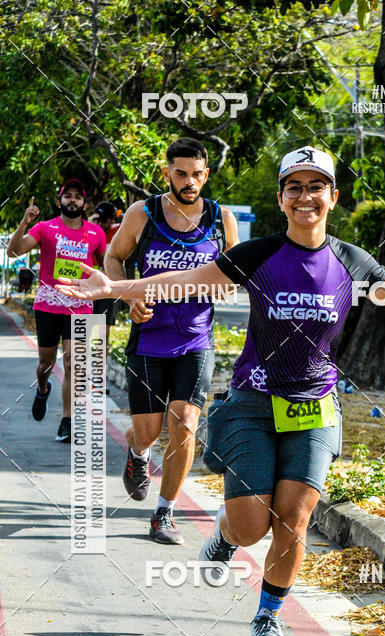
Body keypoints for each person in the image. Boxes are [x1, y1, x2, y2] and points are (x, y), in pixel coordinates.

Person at [56, 145, 385, 636]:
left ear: (332, 198)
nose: (305, 196)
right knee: (252, 523)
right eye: (294, 187)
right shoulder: (259, 255)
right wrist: (114, 287)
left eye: (316, 186)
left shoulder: (350, 261)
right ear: (281, 198)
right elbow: (183, 282)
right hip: (253, 401)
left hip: (315, 405)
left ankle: (267, 619)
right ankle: (226, 537)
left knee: (294, 517)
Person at [104, 138, 239, 545]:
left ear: (206, 174)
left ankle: (164, 513)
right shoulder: (142, 214)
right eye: (180, 173)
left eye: (197, 174)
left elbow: (235, 270)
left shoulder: (220, 218)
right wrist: (131, 295)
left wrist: (227, 288)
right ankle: (137, 451)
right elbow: (114, 259)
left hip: (196, 341)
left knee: (184, 423)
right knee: (148, 432)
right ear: (167, 173)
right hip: (148, 341)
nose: (189, 181)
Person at [7, 179, 106, 443]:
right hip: (48, 305)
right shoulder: (45, 228)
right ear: (59, 201)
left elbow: (107, 266)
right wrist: (25, 222)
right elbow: (14, 251)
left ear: (84, 203)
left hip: (81, 305)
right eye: (68, 196)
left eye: (77, 197)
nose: (72, 200)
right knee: (46, 363)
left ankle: (67, 421)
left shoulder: (96, 234)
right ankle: (42, 387)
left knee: (73, 361)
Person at [89, 201, 122, 386]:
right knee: (83, 331)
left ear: (112, 220)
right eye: (99, 220)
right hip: (86, 288)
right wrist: (89, 226)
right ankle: (82, 376)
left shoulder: (117, 231)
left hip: (107, 288)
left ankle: (98, 379)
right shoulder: (87, 229)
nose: (103, 224)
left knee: (103, 333)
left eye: (106, 220)